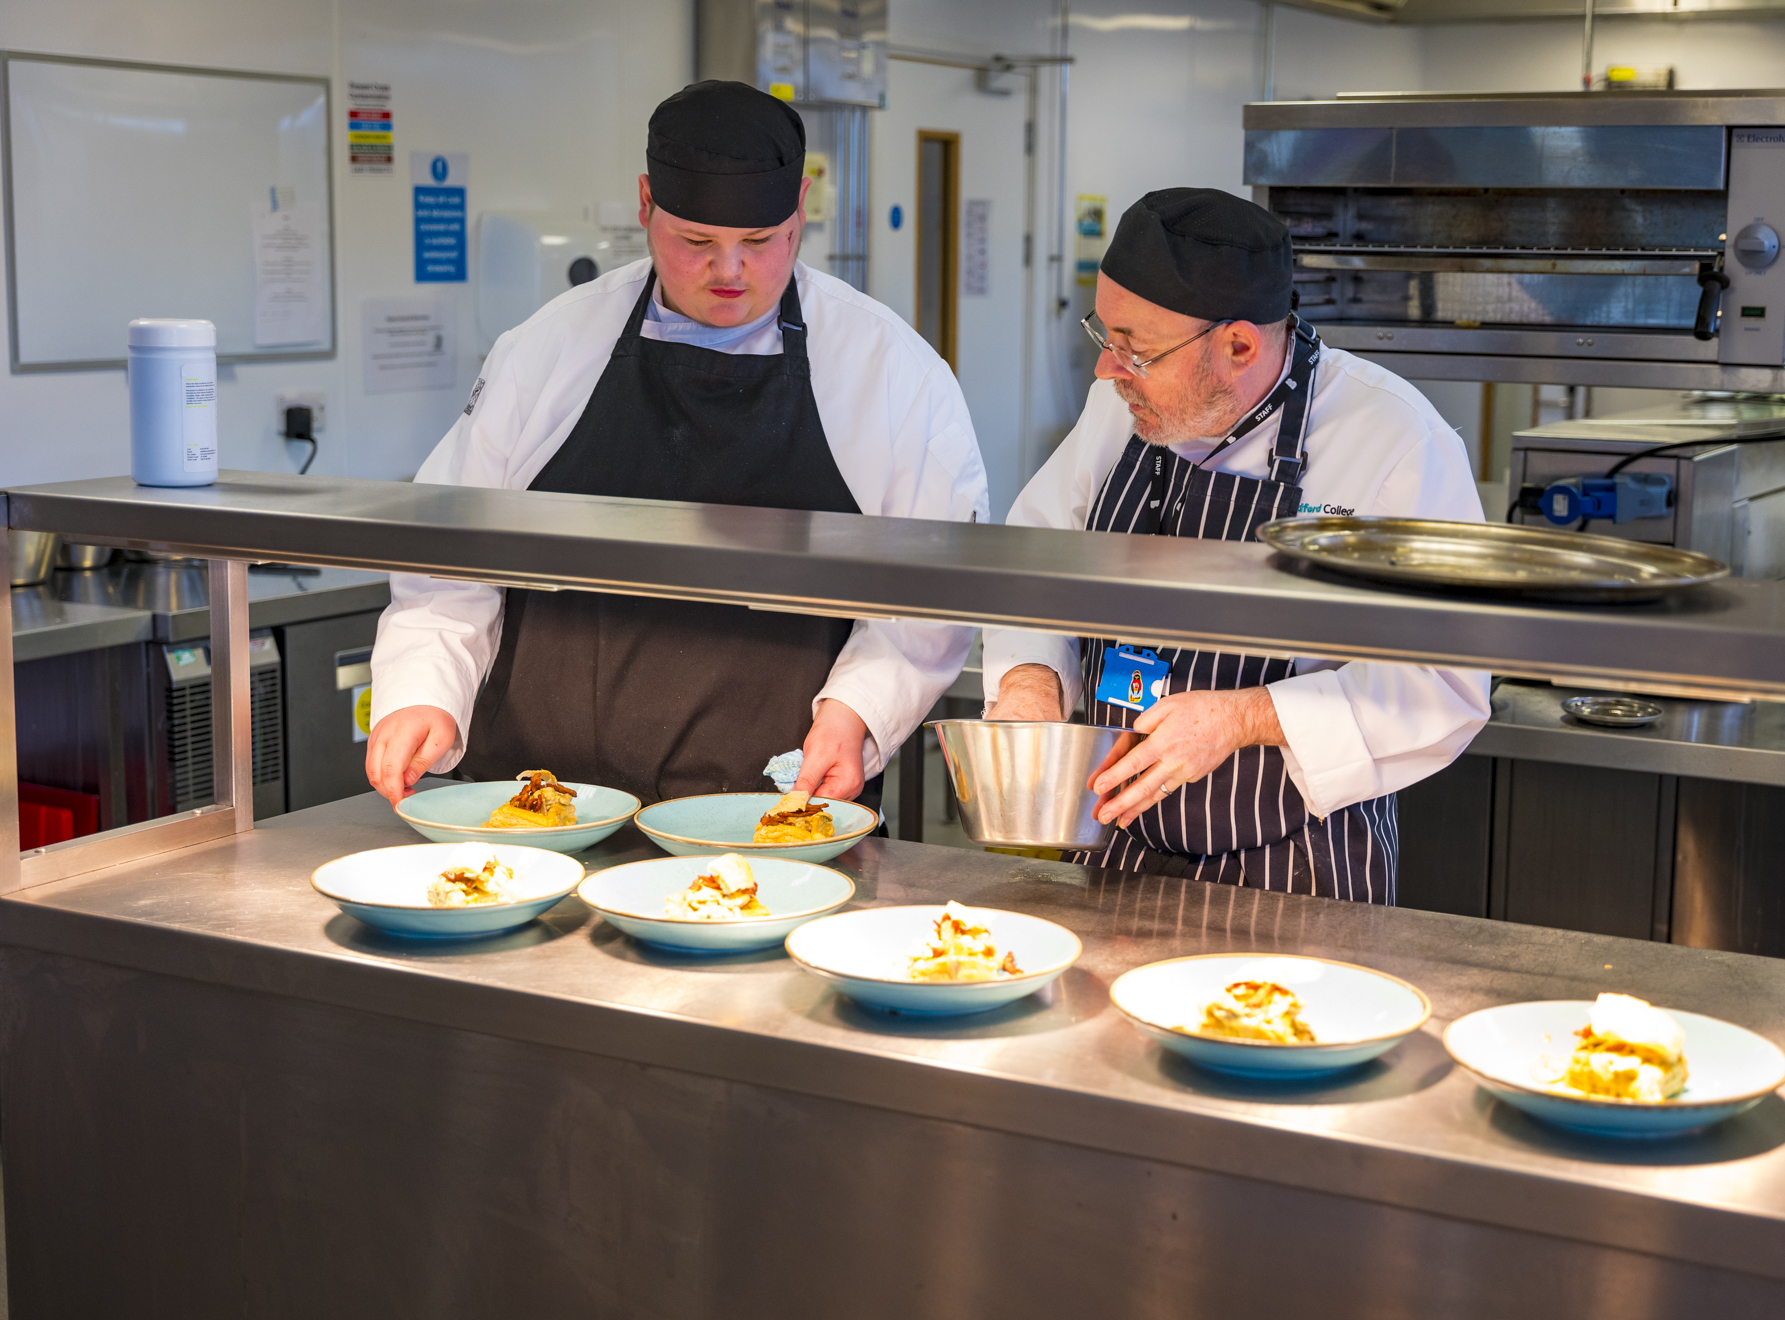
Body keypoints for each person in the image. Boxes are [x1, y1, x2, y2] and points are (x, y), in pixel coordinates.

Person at [365, 81, 987, 810]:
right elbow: (448, 558)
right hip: (541, 812)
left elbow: (928, 599)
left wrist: (858, 713)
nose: (730, 272)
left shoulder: (890, 373)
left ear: (800, 213)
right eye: (696, 243)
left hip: (770, 817)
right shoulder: (548, 350)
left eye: (761, 242)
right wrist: (423, 694)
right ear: (644, 204)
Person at [982, 187, 1488, 901]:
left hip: (1299, 865)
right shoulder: (1122, 406)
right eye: (1107, 338)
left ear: (1240, 346)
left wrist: (1243, 717)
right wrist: (1030, 676)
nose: (1105, 371)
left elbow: (1445, 688)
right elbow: (1035, 557)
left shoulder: (1397, 442)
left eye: (1135, 351)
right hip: (1118, 846)